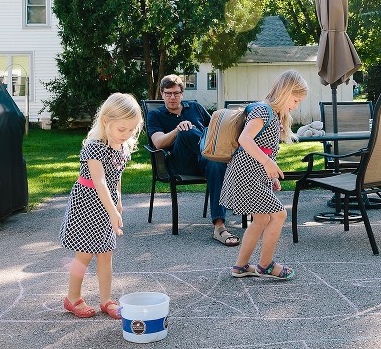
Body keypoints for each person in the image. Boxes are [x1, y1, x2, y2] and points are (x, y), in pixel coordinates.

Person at [59, 92, 143, 319]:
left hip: (106, 207)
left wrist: (119, 202)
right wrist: (112, 209)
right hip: (86, 205)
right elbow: (100, 181)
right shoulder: (94, 147)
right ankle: (72, 298)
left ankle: (106, 300)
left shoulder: (122, 148)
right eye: (122, 129)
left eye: (131, 130)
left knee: (106, 254)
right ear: (106, 122)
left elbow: (116, 178)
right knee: (84, 255)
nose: (126, 135)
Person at [220, 69, 308, 280]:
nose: (295, 106)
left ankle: (240, 266)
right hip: (246, 172)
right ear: (285, 92)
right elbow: (245, 139)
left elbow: (265, 147)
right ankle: (265, 265)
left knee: (260, 219)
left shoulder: (274, 114)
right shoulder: (263, 110)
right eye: (295, 100)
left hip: (255, 173)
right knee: (279, 214)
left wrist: (272, 174)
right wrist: (268, 163)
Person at [146, 74, 240, 246]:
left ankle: (219, 227)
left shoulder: (195, 107)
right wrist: (177, 130)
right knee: (186, 131)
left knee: (216, 163)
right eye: (168, 93)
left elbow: (215, 132)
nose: (172, 97)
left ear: (182, 93)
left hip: (204, 160)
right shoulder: (155, 115)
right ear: (161, 94)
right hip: (179, 163)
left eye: (176, 93)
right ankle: (233, 161)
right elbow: (158, 142)